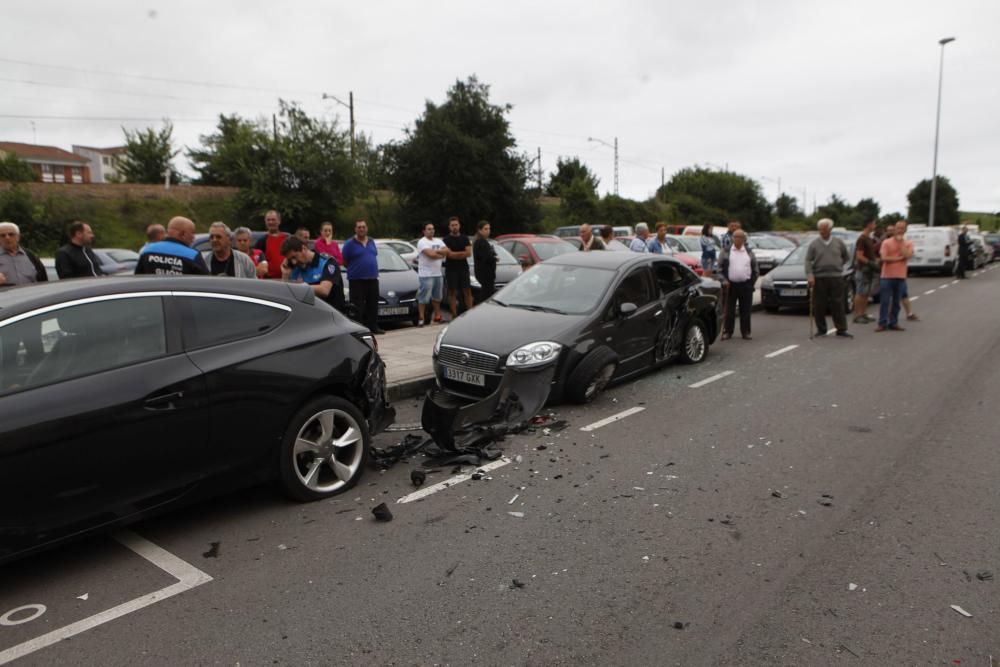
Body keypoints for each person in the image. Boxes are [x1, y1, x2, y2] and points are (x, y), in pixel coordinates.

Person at [805, 218, 852, 338]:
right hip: (819, 277)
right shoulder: (814, 244)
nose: (822, 232)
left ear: (830, 229)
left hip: (836, 277)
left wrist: (838, 266)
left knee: (838, 304)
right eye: (820, 230)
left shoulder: (838, 242)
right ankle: (821, 329)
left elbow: (846, 257)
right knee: (819, 305)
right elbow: (808, 260)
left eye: (824, 230)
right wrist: (810, 275)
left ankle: (841, 329)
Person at [280, 235, 347, 313]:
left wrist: (299, 286)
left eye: (294, 257)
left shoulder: (327, 262)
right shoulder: (295, 268)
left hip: (333, 315)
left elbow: (324, 290)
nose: (293, 262)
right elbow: (288, 293)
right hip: (310, 315)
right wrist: (285, 275)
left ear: (304, 248)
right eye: (290, 259)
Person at [717, 229, 758, 340]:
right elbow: (719, 269)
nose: (738, 239)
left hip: (746, 285)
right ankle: (728, 331)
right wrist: (724, 281)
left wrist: (751, 282)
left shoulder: (749, 252)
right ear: (732, 238)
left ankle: (746, 332)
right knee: (729, 311)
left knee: (745, 310)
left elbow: (755, 269)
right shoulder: (726, 251)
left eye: (740, 237)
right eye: (736, 237)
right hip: (730, 285)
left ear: (744, 239)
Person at [341, 219, 382, 333]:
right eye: (359, 227)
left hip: (373, 278)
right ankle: (359, 329)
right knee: (357, 306)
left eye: (363, 227)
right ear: (355, 229)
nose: (361, 229)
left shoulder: (371, 241)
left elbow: (373, 255)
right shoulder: (349, 244)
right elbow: (344, 261)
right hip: (356, 280)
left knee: (373, 304)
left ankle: (373, 327)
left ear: (366, 228)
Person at [134, 216, 209, 275]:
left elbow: (138, 278)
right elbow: (205, 282)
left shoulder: (147, 251)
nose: (193, 237)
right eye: (192, 233)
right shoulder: (192, 256)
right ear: (183, 234)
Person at [876, 220, 913, 331]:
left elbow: (907, 255)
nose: (899, 230)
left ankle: (894, 322)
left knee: (896, 302)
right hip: (886, 276)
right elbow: (884, 258)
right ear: (894, 229)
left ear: (905, 230)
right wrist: (898, 258)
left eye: (902, 228)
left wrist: (900, 243)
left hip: (901, 276)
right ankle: (882, 323)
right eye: (898, 228)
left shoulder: (908, 243)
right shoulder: (886, 242)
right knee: (885, 301)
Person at [415, 222, 447, 326]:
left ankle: (437, 316)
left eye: (432, 229)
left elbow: (447, 250)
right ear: (424, 231)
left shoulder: (438, 240)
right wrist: (440, 254)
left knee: (437, 297)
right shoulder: (422, 242)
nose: (431, 230)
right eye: (429, 229)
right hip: (426, 274)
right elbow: (431, 255)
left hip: (437, 273)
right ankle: (421, 318)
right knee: (423, 297)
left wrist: (437, 253)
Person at [0, 222, 48, 288]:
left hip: (32, 296)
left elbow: (44, 281)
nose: (7, 238)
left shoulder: (30, 256)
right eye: (2, 235)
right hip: (6, 297)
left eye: (11, 234)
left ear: (18, 237)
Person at [443, 217, 473, 317]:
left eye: (456, 225)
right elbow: (448, 255)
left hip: (463, 268)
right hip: (451, 269)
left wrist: (454, 254)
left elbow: (469, 253)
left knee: (467, 291)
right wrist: (461, 254)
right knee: (452, 292)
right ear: (449, 227)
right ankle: (454, 315)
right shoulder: (446, 240)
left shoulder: (465, 238)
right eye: (452, 225)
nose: (454, 227)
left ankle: (470, 314)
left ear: (459, 226)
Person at [851, 218, 878, 324]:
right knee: (860, 292)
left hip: (868, 271)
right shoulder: (862, 239)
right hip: (863, 269)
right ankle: (857, 315)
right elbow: (859, 256)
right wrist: (870, 263)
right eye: (874, 223)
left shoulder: (869, 238)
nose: (875, 226)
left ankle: (863, 313)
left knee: (866, 293)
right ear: (869, 224)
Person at [253, 210, 289, 279]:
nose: (271, 222)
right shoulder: (262, 241)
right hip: (269, 280)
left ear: (279, 221)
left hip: (287, 278)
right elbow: (255, 260)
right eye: (268, 220)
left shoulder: (287, 239)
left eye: (273, 220)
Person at [472, 220, 498, 303]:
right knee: (486, 295)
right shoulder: (481, 242)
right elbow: (486, 257)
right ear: (480, 230)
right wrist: (495, 258)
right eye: (485, 229)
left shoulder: (482, 241)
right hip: (485, 273)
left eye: (489, 229)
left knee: (486, 294)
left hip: (485, 273)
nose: (488, 231)